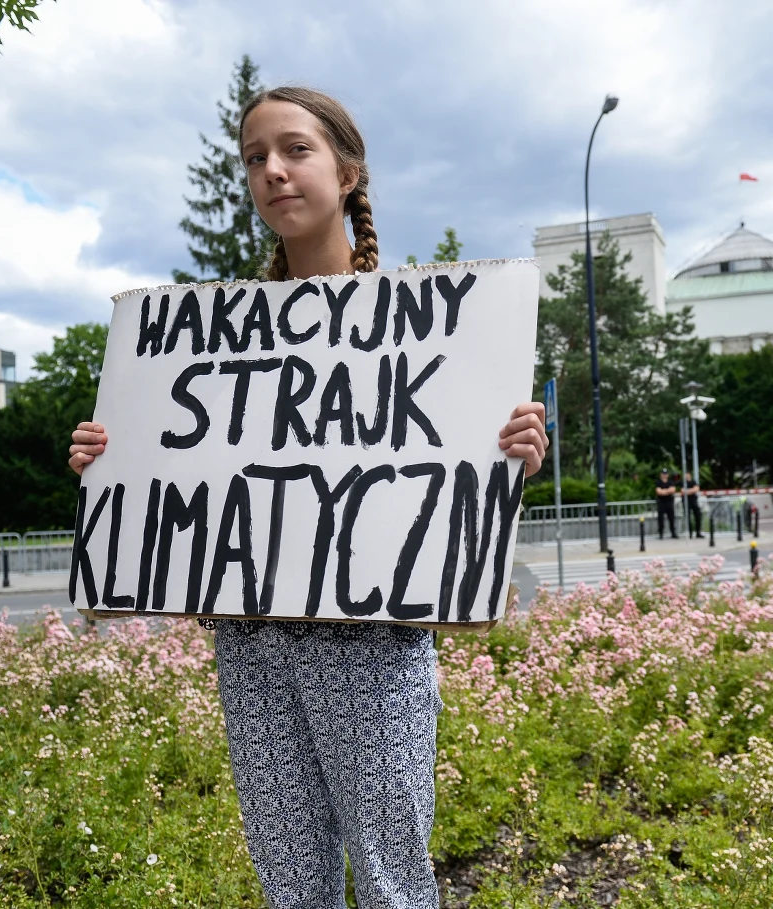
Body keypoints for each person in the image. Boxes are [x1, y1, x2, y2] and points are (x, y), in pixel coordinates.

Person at [67, 86, 547, 909]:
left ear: (349, 171)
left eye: (295, 150)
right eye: (255, 159)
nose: (272, 173)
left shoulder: (435, 327)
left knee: (394, 881)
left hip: (373, 647)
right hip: (250, 644)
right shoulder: (210, 338)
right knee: (290, 883)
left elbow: (440, 477)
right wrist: (112, 460)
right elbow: (187, 478)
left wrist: (511, 458)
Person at [655, 468, 679, 539]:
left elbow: (673, 490)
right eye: (663, 474)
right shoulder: (658, 482)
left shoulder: (670, 482)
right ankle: (661, 533)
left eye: (665, 474)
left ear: (667, 475)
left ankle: (673, 532)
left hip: (669, 502)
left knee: (671, 518)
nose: (664, 475)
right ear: (661, 474)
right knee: (661, 519)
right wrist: (668, 491)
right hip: (661, 502)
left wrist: (664, 491)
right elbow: (659, 491)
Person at [683, 470, 702, 537]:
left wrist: (688, 491)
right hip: (686, 502)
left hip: (694, 501)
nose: (687, 475)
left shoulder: (693, 481)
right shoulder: (683, 482)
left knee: (698, 516)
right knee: (688, 518)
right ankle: (690, 533)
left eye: (687, 474)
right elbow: (683, 491)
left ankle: (698, 532)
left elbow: (696, 489)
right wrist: (691, 490)